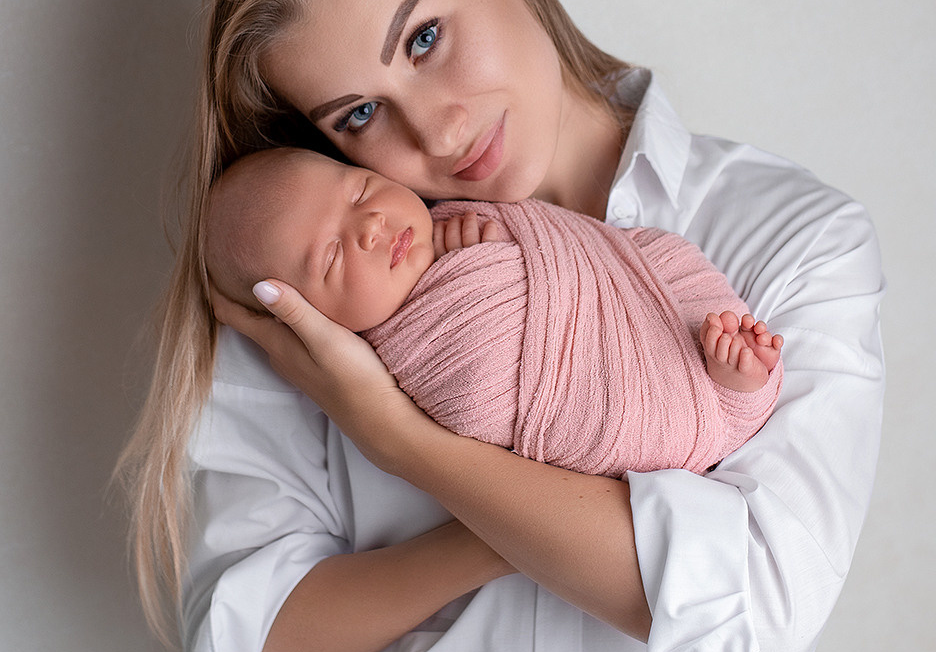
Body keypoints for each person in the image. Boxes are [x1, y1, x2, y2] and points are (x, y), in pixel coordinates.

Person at [117, 0, 884, 652]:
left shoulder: (784, 233)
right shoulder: (318, 273)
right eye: (359, 113)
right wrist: (523, 531)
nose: (434, 130)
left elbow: (757, 612)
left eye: (426, 36)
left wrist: (406, 442)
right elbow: (256, 638)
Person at [204, 145, 784, 477]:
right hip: (609, 393)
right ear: (308, 316)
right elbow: (482, 394)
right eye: (332, 256)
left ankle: (732, 375)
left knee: (670, 260)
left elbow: (571, 244)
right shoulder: (404, 354)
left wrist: (487, 243)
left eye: (358, 190)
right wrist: (483, 274)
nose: (371, 226)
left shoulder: (456, 211)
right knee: (647, 406)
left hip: (642, 289)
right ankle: (725, 392)